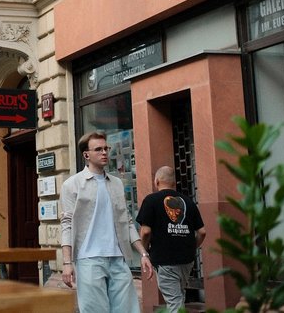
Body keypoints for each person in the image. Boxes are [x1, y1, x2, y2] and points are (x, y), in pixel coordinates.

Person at [60, 130, 153, 313]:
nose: (104, 153)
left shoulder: (116, 183)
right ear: (86, 154)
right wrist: (67, 263)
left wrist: (143, 254)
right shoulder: (72, 184)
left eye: (106, 148)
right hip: (88, 259)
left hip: (118, 258)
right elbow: (67, 225)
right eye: (98, 149)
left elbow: (126, 221)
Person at [136, 166, 206, 313]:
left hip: (165, 260)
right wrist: (192, 248)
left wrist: (144, 252)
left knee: (174, 302)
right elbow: (202, 232)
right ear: (174, 183)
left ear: (156, 181)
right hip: (187, 260)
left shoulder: (151, 200)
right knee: (178, 297)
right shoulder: (188, 202)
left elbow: (146, 231)